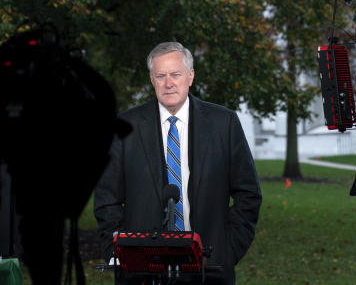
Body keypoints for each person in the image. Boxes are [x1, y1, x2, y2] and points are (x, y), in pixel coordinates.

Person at [94, 41, 262, 284]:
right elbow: (106, 200)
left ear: (190, 76)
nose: (168, 83)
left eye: (175, 74)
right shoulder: (125, 127)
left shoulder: (223, 123)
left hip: (209, 268)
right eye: (160, 76)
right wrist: (121, 252)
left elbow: (248, 193)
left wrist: (229, 250)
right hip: (141, 271)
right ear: (152, 79)